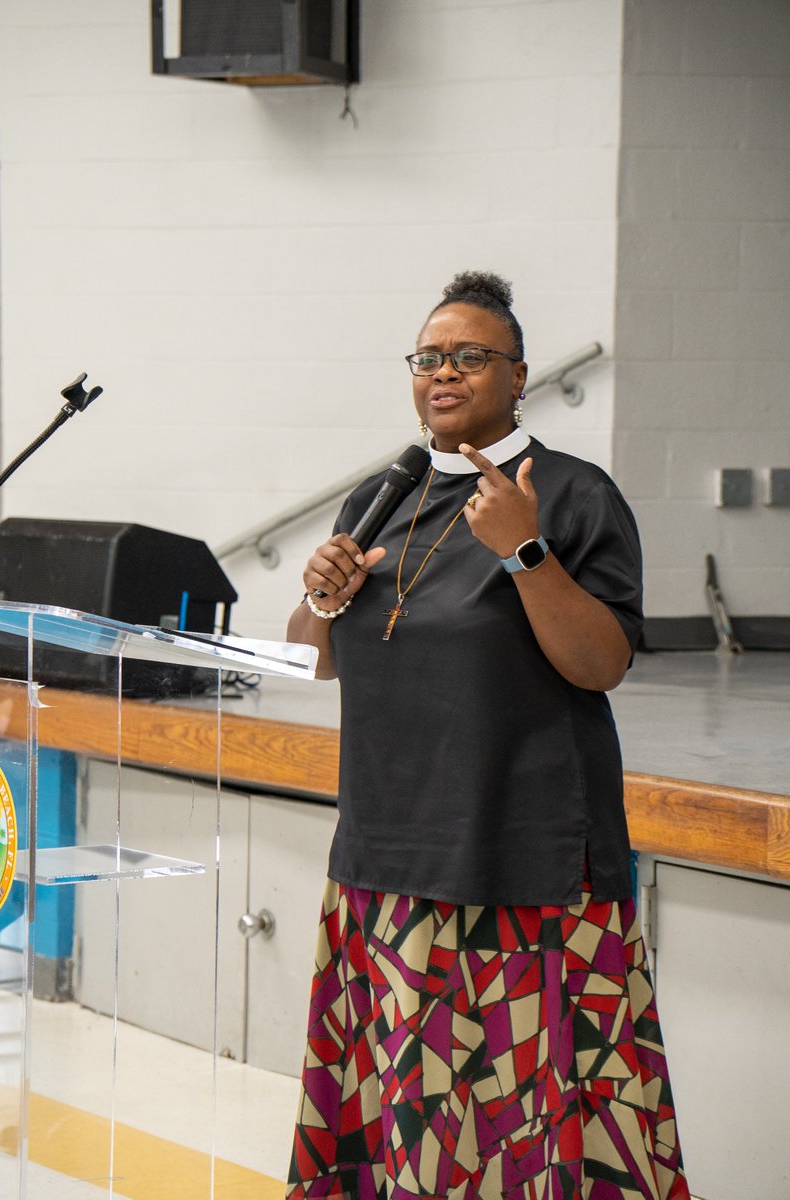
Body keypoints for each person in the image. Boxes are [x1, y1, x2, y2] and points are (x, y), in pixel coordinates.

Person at [285, 272, 690, 1200]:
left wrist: (524, 550)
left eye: (471, 356)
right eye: (429, 357)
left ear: (518, 376)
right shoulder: (382, 496)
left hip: (525, 860)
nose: (445, 373)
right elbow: (320, 657)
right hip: (388, 859)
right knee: (407, 1124)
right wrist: (319, 594)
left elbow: (602, 662)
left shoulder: (573, 494)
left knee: (532, 1123)